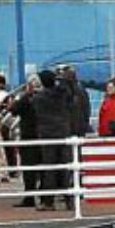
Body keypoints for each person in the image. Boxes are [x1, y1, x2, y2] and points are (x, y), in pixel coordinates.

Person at [29, 68, 75, 210]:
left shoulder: (38, 98)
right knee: (65, 167)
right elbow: (68, 90)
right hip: (62, 132)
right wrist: (60, 78)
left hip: (47, 134)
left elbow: (34, 108)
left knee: (49, 168)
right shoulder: (62, 94)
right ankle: (69, 200)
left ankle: (48, 201)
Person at [9, 76, 41, 206]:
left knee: (29, 170)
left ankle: (29, 197)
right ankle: (44, 196)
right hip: (41, 136)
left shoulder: (27, 99)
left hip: (28, 137)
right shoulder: (44, 98)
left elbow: (13, 110)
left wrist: (24, 95)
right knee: (43, 168)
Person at [62, 66, 91, 140]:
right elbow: (87, 110)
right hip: (79, 127)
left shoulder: (63, 91)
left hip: (68, 127)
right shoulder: (81, 91)